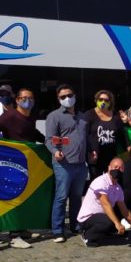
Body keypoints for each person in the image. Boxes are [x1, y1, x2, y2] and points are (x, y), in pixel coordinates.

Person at [0, 88, 45, 249]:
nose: (27, 100)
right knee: (14, 197)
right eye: (24, 97)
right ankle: (14, 236)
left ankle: (22, 229)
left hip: (27, 162)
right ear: (18, 99)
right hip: (12, 163)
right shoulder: (10, 115)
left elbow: (33, 132)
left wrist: (47, 141)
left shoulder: (30, 116)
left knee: (24, 196)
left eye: (30, 97)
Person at [45, 84, 88, 243]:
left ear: (75, 95)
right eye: (63, 97)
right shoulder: (54, 116)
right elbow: (49, 139)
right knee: (61, 197)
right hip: (64, 163)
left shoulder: (82, 116)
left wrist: (90, 152)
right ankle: (57, 229)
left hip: (80, 163)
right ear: (58, 99)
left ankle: (75, 225)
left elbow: (84, 139)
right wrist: (55, 151)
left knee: (77, 196)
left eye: (69, 95)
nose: (67, 98)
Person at [77, 158, 131, 247]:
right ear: (109, 168)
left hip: (101, 216)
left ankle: (108, 231)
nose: (117, 169)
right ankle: (87, 235)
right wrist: (117, 223)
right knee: (109, 221)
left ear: (123, 170)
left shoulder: (118, 188)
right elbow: (105, 204)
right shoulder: (101, 181)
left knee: (116, 215)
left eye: (120, 168)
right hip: (87, 218)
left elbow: (124, 210)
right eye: (115, 167)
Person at [83, 90, 128, 180]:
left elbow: (122, 134)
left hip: (111, 158)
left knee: (112, 181)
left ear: (110, 102)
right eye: (101, 99)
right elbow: (84, 135)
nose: (103, 102)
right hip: (95, 157)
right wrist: (90, 150)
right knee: (97, 183)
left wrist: (128, 147)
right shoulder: (89, 115)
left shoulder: (115, 116)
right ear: (96, 100)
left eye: (106, 100)